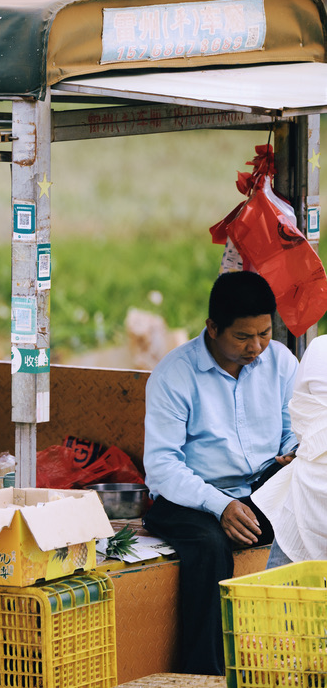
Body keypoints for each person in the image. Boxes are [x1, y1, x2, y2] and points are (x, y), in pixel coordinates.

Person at [142, 270, 298, 676]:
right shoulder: (174, 375)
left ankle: (293, 651)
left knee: (312, 513)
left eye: (264, 333)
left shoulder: (280, 362)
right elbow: (161, 466)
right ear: (212, 328)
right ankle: (204, 673)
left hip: (260, 488)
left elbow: (294, 430)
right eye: (243, 337)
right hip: (188, 497)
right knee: (210, 546)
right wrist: (220, 503)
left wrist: (292, 454)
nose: (256, 347)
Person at [252, 333, 327, 568]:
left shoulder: (319, 348)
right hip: (309, 492)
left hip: (308, 496)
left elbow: (302, 426)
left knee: (282, 597)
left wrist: (306, 446)